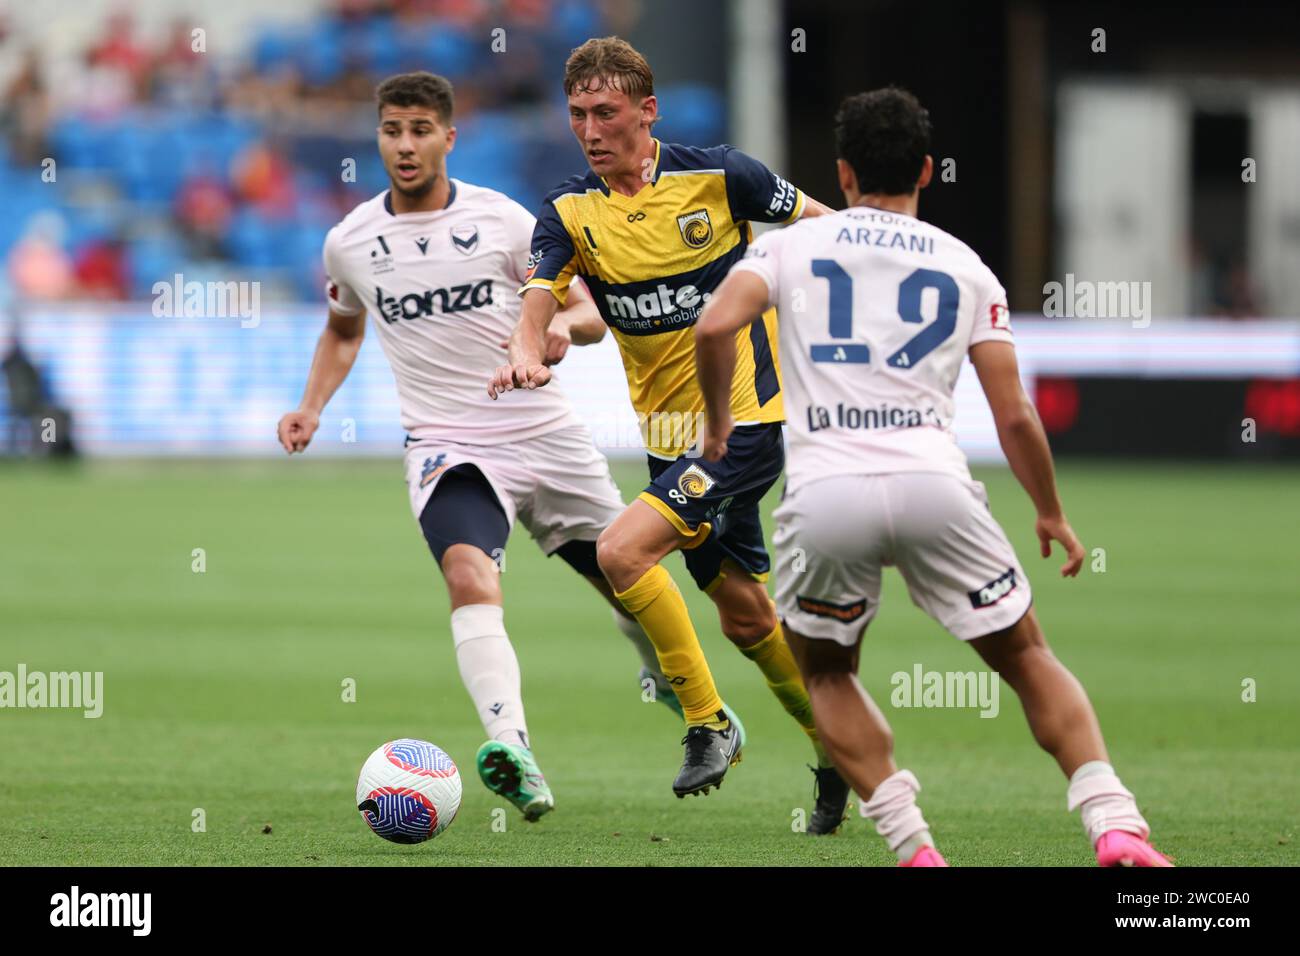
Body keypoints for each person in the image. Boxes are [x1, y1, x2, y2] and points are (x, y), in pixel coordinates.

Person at [694, 86, 1172, 867]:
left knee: (829, 672)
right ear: (925, 168)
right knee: (1025, 658)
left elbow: (716, 325)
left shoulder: (788, 247)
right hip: (934, 485)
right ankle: (1113, 821)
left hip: (827, 496)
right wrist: (1050, 512)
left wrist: (717, 422)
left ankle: (914, 846)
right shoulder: (966, 265)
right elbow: (1014, 413)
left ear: (842, 174)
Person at [278, 71, 663, 823]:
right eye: (392, 130)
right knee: (468, 575)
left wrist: (559, 329)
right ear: (378, 136)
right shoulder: (350, 242)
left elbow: (586, 311)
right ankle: (511, 745)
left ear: (449, 138)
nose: (406, 145)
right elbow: (344, 328)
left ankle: (668, 676)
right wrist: (310, 406)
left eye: (421, 130)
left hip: (544, 431)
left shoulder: (505, 223)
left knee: (628, 582)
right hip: (448, 442)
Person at [490, 37, 850, 826]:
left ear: (646, 111)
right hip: (669, 438)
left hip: (744, 424)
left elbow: (833, 233)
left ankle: (707, 721)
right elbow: (542, 299)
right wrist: (529, 347)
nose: (589, 129)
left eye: (606, 112)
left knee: (620, 551)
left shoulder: (723, 176)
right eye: (578, 113)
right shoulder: (570, 211)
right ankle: (840, 754)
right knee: (747, 616)